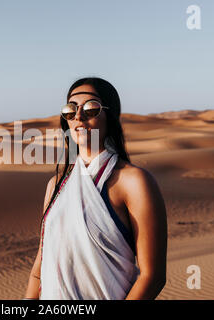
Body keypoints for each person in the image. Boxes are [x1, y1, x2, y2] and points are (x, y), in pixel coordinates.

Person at [24, 77, 167, 300]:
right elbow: (39, 270)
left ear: (110, 116)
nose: (78, 116)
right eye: (70, 109)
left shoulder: (133, 181)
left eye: (91, 108)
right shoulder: (56, 185)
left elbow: (152, 276)